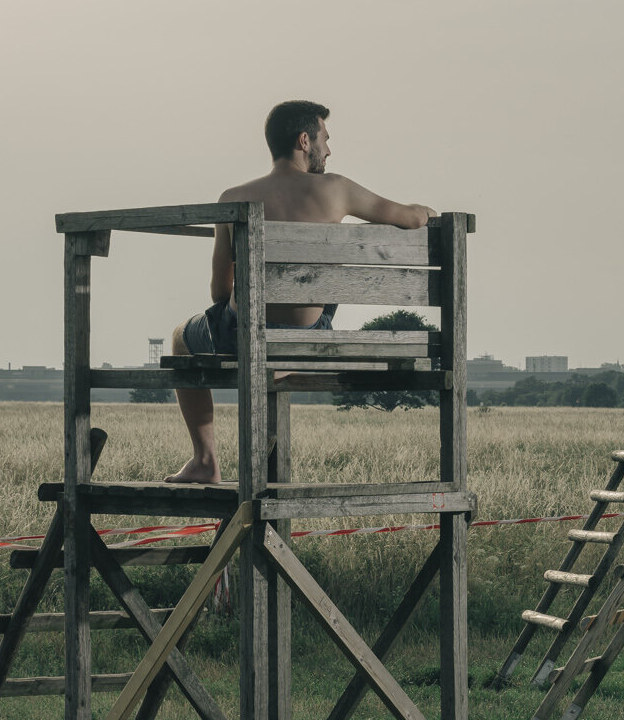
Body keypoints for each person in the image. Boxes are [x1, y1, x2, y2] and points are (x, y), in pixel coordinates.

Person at [166, 101, 436, 483]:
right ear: (304, 140)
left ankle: (205, 460)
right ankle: (283, 358)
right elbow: (410, 219)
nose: (329, 150)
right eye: (325, 139)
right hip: (309, 337)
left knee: (181, 337)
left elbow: (218, 290)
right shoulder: (337, 190)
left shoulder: (231, 198)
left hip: (244, 336)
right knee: (302, 317)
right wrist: (422, 210)